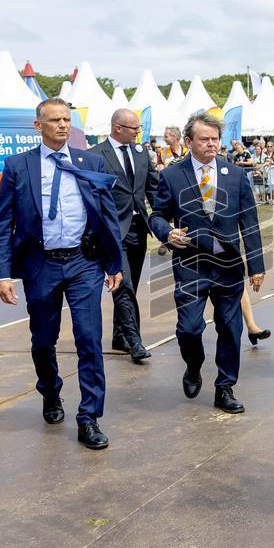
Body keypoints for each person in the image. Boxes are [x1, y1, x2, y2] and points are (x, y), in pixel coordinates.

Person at [0, 98, 124, 450]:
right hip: (41, 265)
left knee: (88, 337)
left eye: (67, 119)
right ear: (39, 126)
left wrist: (115, 263)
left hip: (84, 263)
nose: (63, 126)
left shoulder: (89, 162)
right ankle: (50, 391)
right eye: (55, 120)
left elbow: (107, 217)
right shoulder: (18, 166)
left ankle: (89, 417)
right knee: (42, 340)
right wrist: (2, 273)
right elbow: (4, 223)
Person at [149, 111, 265, 414]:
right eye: (204, 139)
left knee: (230, 329)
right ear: (188, 141)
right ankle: (193, 364)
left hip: (228, 266)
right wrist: (167, 232)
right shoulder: (172, 175)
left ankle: (224, 387)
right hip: (191, 264)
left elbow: (249, 222)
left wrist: (256, 265)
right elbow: (157, 215)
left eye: (215, 139)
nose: (212, 144)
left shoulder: (236, 175)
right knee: (188, 328)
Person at [89, 109, 160, 363]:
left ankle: (119, 336)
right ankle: (134, 340)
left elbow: (153, 188)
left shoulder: (141, 154)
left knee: (132, 284)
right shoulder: (95, 156)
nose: (138, 133)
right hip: (111, 231)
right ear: (118, 128)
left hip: (138, 228)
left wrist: (163, 219)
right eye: (134, 129)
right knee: (124, 285)